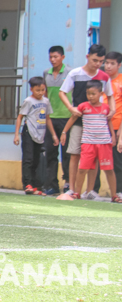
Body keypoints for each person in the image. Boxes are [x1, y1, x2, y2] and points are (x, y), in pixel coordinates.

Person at [58, 44, 115, 199]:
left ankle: (89, 190)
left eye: (100, 61)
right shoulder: (75, 74)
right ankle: (72, 188)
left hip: (97, 122)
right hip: (78, 120)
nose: (97, 64)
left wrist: (112, 109)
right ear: (87, 56)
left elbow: (110, 96)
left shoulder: (104, 77)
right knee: (75, 153)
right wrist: (71, 108)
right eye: (95, 60)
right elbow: (62, 92)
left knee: (94, 157)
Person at [60, 80, 121, 203]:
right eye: (88, 94)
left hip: (104, 143)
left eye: (93, 93)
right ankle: (77, 193)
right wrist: (64, 132)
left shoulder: (106, 108)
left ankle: (114, 195)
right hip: (88, 143)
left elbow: (109, 122)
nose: (91, 96)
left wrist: (113, 137)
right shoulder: (83, 106)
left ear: (100, 93)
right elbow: (73, 118)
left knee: (109, 169)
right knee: (82, 168)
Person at [13, 77, 58, 195]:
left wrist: (53, 135)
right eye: (37, 90)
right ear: (31, 89)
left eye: (42, 90)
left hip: (40, 134)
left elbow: (47, 118)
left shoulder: (46, 102)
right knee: (28, 159)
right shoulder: (28, 101)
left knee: (36, 160)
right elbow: (20, 117)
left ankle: (34, 184)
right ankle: (27, 184)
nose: (40, 93)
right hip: (29, 132)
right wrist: (16, 135)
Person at [42, 45, 73, 195]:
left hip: (67, 118)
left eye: (56, 57)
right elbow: (45, 94)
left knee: (67, 153)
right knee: (51, 153)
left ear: (63, 57)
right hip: (50, 119)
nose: (53, 60)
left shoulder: (70, 73)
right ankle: (52, 185)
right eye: (51, 57)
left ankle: (67, 183)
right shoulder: (46, 74)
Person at [105, 51, 122, 200]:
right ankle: (92, 190)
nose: (108, 66)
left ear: (119, 65)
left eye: (112, 63)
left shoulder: (121, 81)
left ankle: (119, 192)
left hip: (117, 127)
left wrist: (120, 134)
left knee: (117, 162)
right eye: (107, 62)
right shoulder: (101, 80)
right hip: (100, 126)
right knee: (96, 160)